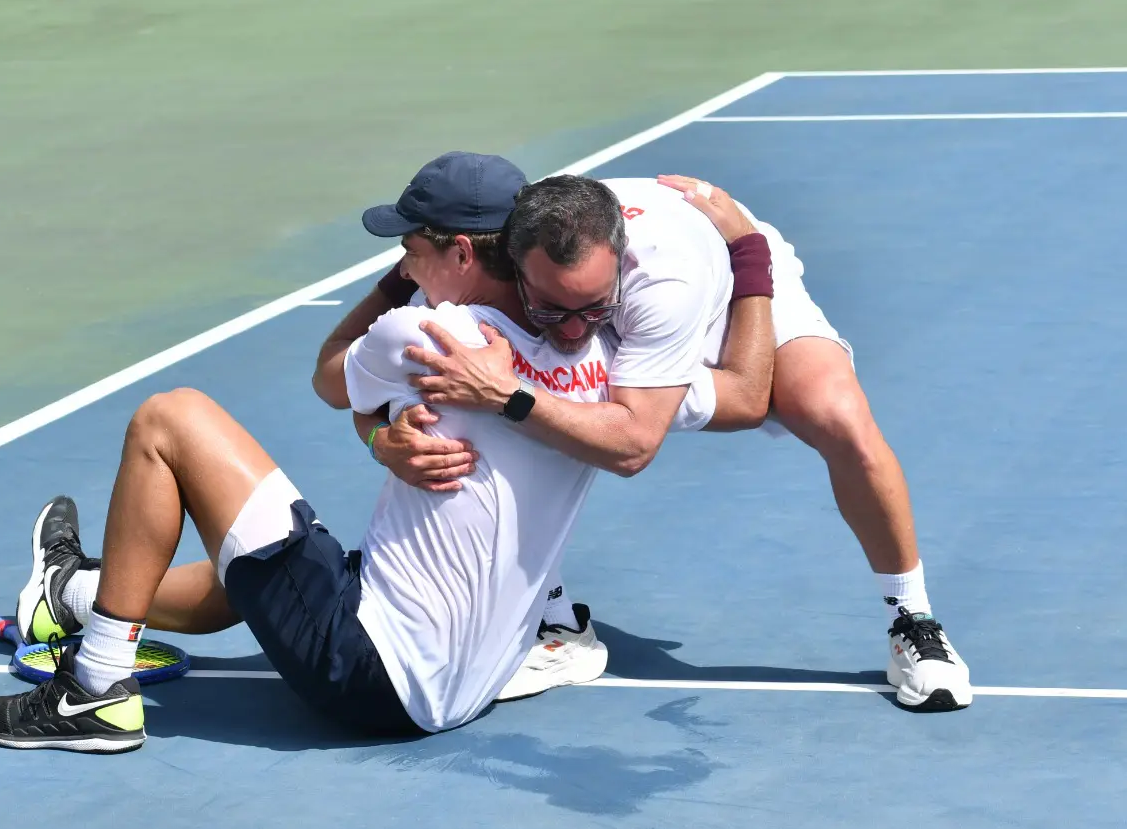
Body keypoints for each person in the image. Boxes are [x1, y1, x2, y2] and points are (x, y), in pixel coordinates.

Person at [0, 153, 772, 751]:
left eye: (411, 247)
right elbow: (744, 393)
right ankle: (69, 594)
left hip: (371, 672)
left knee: (170, 419)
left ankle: (94, 691)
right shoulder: (607, 367)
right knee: (255, 561)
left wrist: (395, 314)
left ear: (460, 252)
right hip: (470, 686)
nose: (400, 261)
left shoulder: (429, 333)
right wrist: (748, 252)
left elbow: (328, 375)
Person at [331, 165, 972, 712]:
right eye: (552, 310)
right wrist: (382, 436)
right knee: (526, 406)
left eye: (589, 313)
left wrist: (746, 251)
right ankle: (556, 620)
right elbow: (337, 379)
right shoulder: (491, 263)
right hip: (596, 296)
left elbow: (726, 408)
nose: (574, 333)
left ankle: (912, 618)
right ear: (509, 266)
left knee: (834, 415)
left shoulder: (659, 289)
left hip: (726, 282)